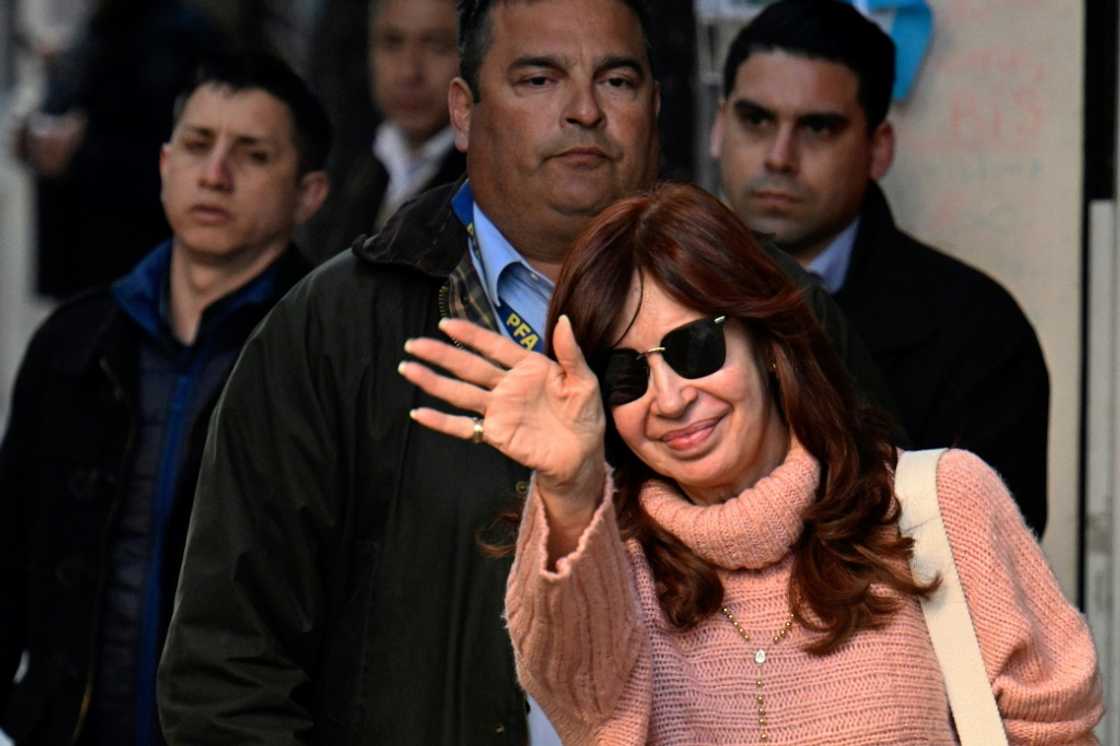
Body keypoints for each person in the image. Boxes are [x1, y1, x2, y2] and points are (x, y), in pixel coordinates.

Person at [158, 1, 889, 742]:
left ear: (656, 108)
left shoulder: (773, 310)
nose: (583, 112)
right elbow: (227, 670)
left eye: (617, 81)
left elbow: (886, 592)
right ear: (465, 112)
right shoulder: (332, 331)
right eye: (539, 80)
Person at [399, 182, 1102, 744]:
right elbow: (584, 713)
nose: (670, 399)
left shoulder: (940, 504)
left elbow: (1059, 735)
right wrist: (571, 486)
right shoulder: (611, 568)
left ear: (766, 339)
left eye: (693, 349)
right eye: (626, 377)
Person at [0, 51, 329, 745]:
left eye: (253, 154)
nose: (214, 175)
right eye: (197, 145)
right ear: (164, 165)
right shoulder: (76, 342)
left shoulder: (328, 357)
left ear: (309, 194)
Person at [708, 0, 1050, 535]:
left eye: (818, 128)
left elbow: (988, 571)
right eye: (756, 119)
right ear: (717, 126)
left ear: (878, 149)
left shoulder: (980, 333)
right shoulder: (647, 295)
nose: (778, 155)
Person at [13, 0, 223, 299]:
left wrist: (79, 153)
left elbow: (182, 163)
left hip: (136, 276)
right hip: (93, 276)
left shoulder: (177, 38)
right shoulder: (111, 21)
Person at [301, 0, 465, 261]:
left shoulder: (487, 187)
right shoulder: (336, 164)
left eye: (436, 46)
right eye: (392, 43)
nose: (409, 71)